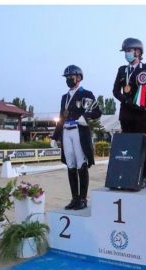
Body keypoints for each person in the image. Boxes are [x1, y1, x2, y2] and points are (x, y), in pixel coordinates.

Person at [51, 65, 102, 210]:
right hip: (66, 131)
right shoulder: (64, 97)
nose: (68, 79)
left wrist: (85, 117)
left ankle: (83, 199)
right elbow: (61, 117)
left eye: (70, 76)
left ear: (78, 77)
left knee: (81, 164)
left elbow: (97, 112)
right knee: (70, 164)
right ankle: (74, 197)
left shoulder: (85, 93)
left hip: (78, 131)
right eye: (66, 77)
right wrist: (55, 137)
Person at [112, 37, 146, 189]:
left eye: (129, 51)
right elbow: (115, 91)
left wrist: (142, 102)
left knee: (142, 145)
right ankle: (128, 176)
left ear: (138, 52)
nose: (126, 54)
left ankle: (143, 177)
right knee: (128, 147)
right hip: (126, 114)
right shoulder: (121, 70)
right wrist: (125, 101)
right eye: (125, 51)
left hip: (143, 114)